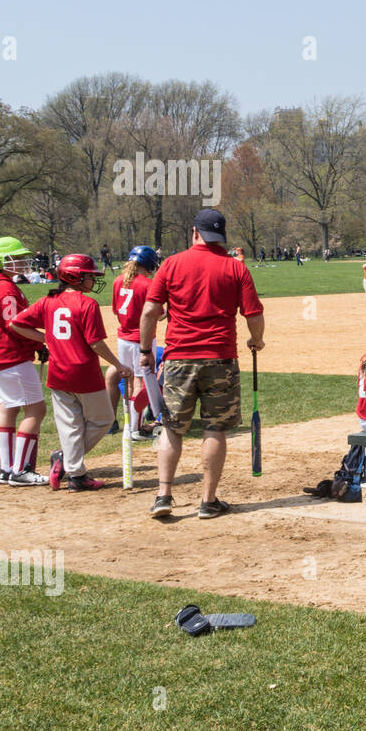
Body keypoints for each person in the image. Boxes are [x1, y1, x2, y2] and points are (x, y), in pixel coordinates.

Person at [138, 209, 266, 519]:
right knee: (214, 427)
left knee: (171, 428)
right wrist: (256, 340)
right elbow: (253, 315)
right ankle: (208, 501)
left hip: (179, 357)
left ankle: (163, 495)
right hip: (220, 357)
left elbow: (150, 311)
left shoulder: (171, 264)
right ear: (220, 236)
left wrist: (145, 349)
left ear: (195, 232)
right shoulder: (235, 268)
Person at [10, 253, 131, 491]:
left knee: (70, 426)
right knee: (104, 419)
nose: (93, 281)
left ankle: (74, 473)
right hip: (84, 373)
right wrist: (118, 365)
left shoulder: (48, 301)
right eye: (89, 276)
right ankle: (67, 462)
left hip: (59, 373)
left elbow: (15, 323)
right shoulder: (88, 304)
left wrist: (47, 339)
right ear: (74, 276)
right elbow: (95, 343)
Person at [0, 236, 49, 486]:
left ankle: (7, 469)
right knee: (36, 408)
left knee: (9, 408)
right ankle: (21, 471)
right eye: (16, 258)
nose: (22, 261)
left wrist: (37, 344)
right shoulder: (3, 288)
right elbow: (16, 325)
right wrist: (43, 341)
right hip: (11, 355)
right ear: (0, 261)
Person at [107, 246, 164, 441]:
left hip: (123, 337)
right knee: (141, 382)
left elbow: (116, 311)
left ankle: (130, 424)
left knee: (130, 380)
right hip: (142, 339)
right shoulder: (147, 284)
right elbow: (159, 315)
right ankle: (135, 429)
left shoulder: (117, 281)